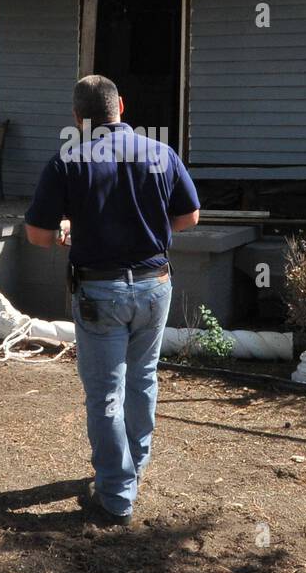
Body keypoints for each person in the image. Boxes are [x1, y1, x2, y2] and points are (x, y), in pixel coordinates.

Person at [24, 75, 200, 527]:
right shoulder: (161, 154)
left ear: (77, 118)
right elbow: (189, 217)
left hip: (100, 292)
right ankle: (132, 472)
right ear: (120, 105)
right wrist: (148, 230)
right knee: (142, 381)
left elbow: (38, 235)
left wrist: (69, 229)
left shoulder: (68, 160)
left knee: (105, 392)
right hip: (155, 283)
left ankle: (117, 496)